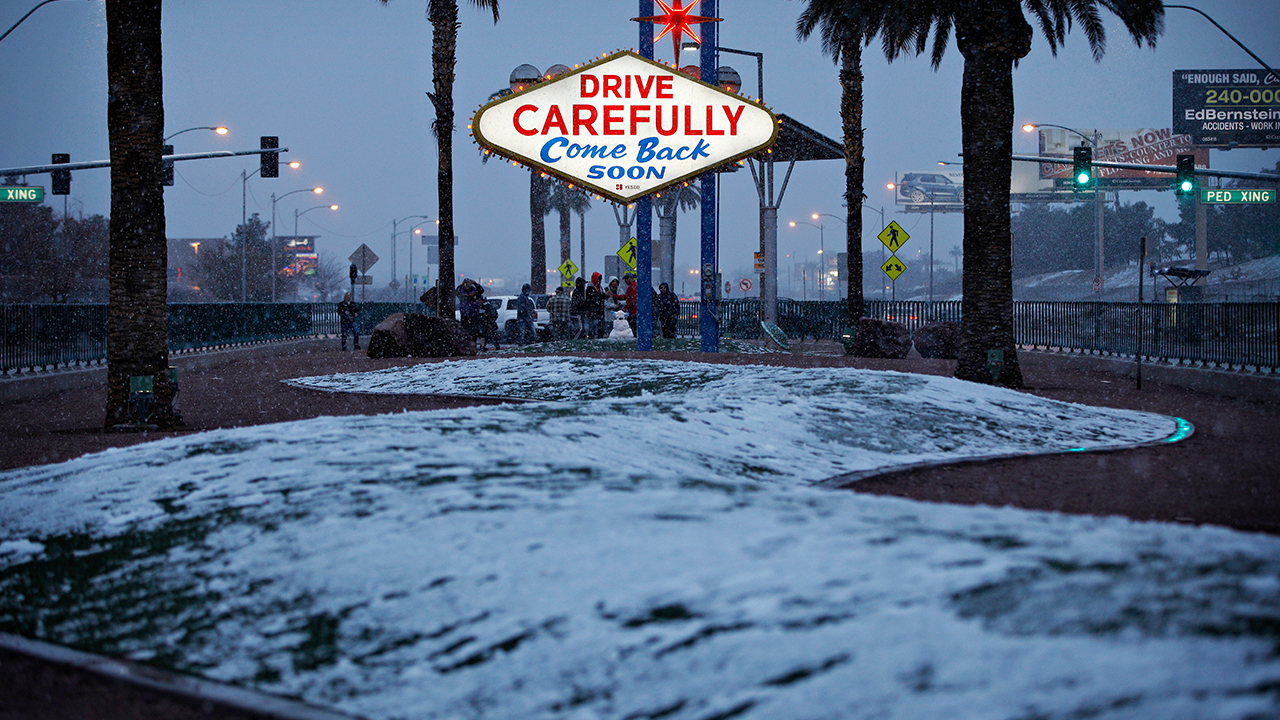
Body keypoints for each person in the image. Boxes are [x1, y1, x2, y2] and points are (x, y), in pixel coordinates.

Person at [457, 278, 485, 348]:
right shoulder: (461, 291)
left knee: (474, 330)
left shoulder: (475, 291)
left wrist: (475, 284)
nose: (467, 285)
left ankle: (474, 344)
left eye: (469, 283)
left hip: (474, 313)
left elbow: (481, 290)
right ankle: (465, 344)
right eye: (466, 283)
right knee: (465, 329)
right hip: (465, 314)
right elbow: (456, 292)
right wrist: (461, 285)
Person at [623, 272, 638, 336]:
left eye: (627, 278)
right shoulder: (633, 286)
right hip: (634, 311)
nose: (626, 280)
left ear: (631, 278)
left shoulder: (632, 287)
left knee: (632, 329)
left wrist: (624, 309)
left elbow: (631, 300)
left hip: (633, 312)